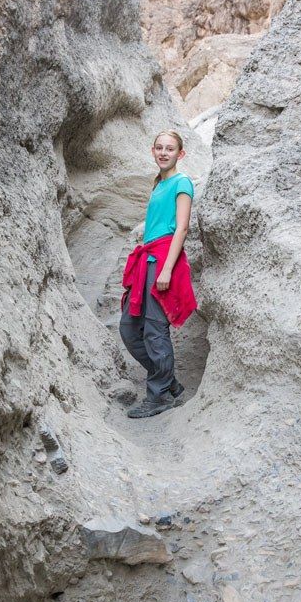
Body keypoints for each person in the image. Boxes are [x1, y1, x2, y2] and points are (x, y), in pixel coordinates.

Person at [120, 129, 197, 419]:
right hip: (149, 260)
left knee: (154, 330)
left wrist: (165, 269)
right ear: (153, 151)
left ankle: (160, 395)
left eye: (170, 148)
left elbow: (182, 228)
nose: (164, 153)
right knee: (129, 327)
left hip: (163, 262)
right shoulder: (158, 185)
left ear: (181, 154)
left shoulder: (182, 183)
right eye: (159, 148)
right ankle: (169, 383)